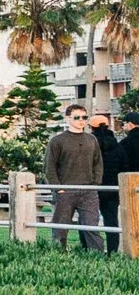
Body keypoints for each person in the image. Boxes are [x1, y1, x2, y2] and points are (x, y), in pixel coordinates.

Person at [45, 103, 105, 251]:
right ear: (68, 119)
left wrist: (95, 184)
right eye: (77, 117)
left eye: (84, 117)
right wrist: (58, 188)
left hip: (88, 191)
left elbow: (98, 163)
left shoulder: (91, 139)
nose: (81, 120)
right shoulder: (57, 141)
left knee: (91, 227)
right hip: (65, 190)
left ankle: (97, 258)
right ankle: (58, 257)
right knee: (60, 228)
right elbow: (49, 166)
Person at [92, 110, 123, 249]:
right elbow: (124, 167)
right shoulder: (118, 146)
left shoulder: (90, 145)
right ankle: (113, 250)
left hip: (94, 187)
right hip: (112, 189)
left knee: (88, 220)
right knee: (111, 221)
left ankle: (90, 248)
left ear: (91, 127)